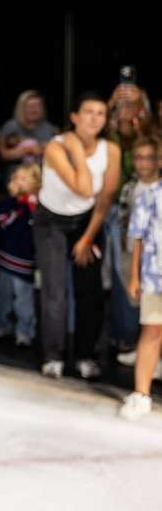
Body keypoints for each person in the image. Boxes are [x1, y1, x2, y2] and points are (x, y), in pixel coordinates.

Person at [34, 93, 121, 380]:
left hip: (87, 222)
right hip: (51, 223)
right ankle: (53, 356)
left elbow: (104, 199)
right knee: (55, 291)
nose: (95, 118)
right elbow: (84, 187)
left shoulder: (111, 150)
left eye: (101, 113)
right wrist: (75, 149)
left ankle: (85, 355)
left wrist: (87, 238)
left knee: (90, 291)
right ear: (74, 117)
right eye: (89, 112)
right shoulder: (56, 147)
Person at [122, 139, 162, 421]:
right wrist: (134, 275)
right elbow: (138, 235)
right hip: (155, 274)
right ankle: (141, 393)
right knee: (151, 331)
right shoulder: (151, 194)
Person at [116, 137, 161, 365]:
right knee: (141, 308)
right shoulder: (132, 188)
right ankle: (141, 349)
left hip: (153, 258)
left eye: (149, 158)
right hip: (138, 254)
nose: (143, 164)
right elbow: (130, 227)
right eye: (139, 158)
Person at [0, 163, 41, 347]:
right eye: (15, 178)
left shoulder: (35, 204)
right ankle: (1, 324)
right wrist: (12, 200)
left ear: (35, 183)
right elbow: (1, 220)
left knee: (24, 298)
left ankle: (25, 331)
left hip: (24, 259)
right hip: (6, 256)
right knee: (3, 294)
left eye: (22, 179)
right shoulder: (10, 202)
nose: (17, 182)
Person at [0, 90, 56, 181]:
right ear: (21, 108)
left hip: (43, 178)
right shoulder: (11, 126)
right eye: (30, 106)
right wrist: (27, 149)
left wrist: (44, 149)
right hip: (15, 178)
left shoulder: (50, 129)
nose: (34, 109)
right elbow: (2, 154)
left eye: (37, 106)